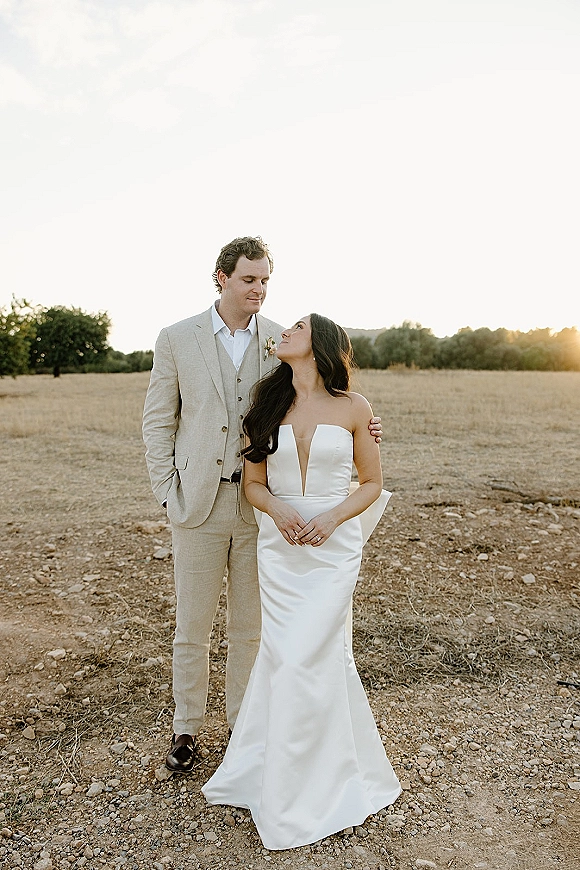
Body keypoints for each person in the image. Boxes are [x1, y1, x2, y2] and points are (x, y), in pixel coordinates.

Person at [142, 237, 383, 774]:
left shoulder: (281, 337)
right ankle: (186, 728)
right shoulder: (177, 338)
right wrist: (167, 489)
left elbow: (318, 396)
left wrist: (364, 427)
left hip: (262, 506)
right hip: (197, 503)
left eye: (266, 279)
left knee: (251, 626)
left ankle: (241, 727)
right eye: (249, 279)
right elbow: (158, 421)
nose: (260, 289)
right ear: (222, 278)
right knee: (193, 623)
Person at [202, 313, 401, 850]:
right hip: (282, 544)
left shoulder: (355, 408)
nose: (284, 330)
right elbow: (255, 485)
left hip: (334, 547)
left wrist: (333, 519)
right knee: (288, 656)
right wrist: (281, 513)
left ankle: (326, 778)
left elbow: (372, 482)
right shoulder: (266, 406)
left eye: (297, 326)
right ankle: (278, 774)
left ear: (322, 344)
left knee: (317, 652)